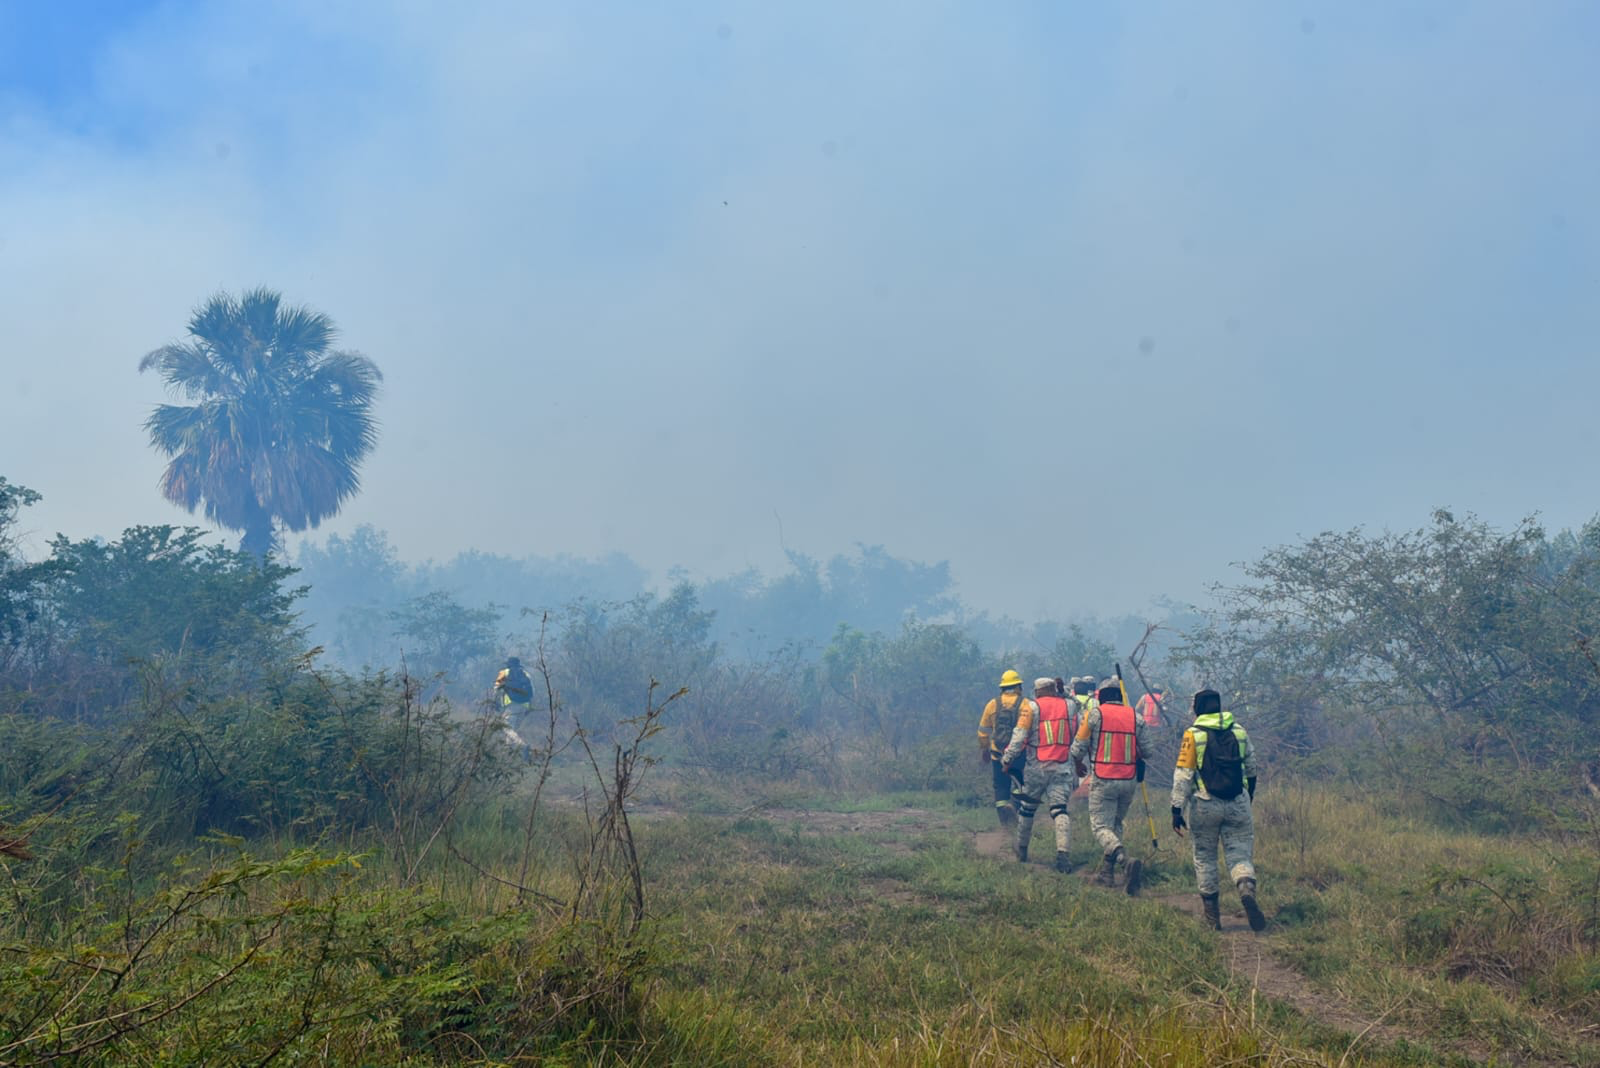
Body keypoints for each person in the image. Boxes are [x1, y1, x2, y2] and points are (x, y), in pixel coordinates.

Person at [1170, 688, 1264, 932]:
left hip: (1205, 804)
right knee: (1240, 854)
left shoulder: (1193, 734)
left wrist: (1176, 809)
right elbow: (1252, 768)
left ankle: (1212, 918)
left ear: (1197, 709)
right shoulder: (1239, 731)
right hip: (1238, 802)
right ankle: (1245, 887)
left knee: (1205, 857)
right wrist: (1247, 796)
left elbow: (1183, 776)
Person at [1070, 677, 1149, 893]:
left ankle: (1124, 860)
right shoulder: (1136, 716)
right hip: (1129, 780)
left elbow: (1078, 748)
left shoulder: (1095, 715)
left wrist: (1078, 764)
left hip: (1103, 779)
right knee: (1115, 823)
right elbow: (1148, 751)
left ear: (1102, 697)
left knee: (1100, 826)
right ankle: (1107, 873)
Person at [1006, 677, 1079, 871]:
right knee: (1060, 811)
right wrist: (1063, 693)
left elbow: (1019, 735)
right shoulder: (1069, 706)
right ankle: (1063, 855)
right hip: (1062, 766)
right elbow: (1079, 706)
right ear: (1054, 689)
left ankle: (1021, 850)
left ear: (1037, 691)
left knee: (1027, 809)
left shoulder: (1031, 707)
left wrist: (1007, 759)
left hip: (1036, 768)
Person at [977, 669, 1037, 828]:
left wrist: (985, 750)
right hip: (1018, 755)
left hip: (997, 754)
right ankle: (1016, 810)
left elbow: (983, 732)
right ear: (1018, 686)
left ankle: (1005, 822)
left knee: (1000, 787)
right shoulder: (1026, 704)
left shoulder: (992, 704)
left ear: (1002, 687)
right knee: (1019, 785)